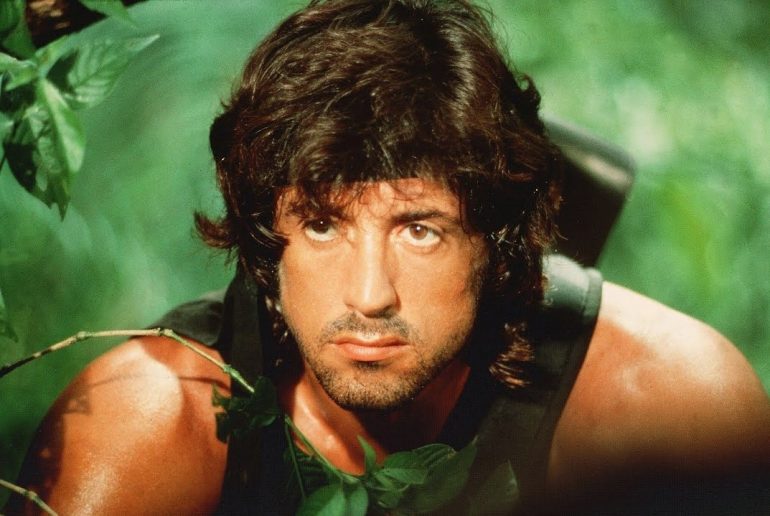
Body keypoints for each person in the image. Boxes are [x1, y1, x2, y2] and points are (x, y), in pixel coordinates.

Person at [8, 0, 770, 514]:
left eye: (420, 230)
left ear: (498, 244)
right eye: (322, 226)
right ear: (264, 235)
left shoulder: (666, 403)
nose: (369, 295)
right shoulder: (150, 426)